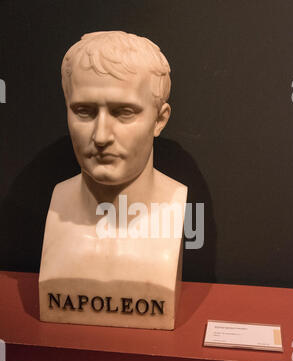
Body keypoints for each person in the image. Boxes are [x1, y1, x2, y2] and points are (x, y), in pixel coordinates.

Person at [39, 31, 187, 330]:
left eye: (124, 113)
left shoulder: (174, 204)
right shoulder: (58, 204)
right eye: (84, 111)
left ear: (160, 119)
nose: (101, 136)